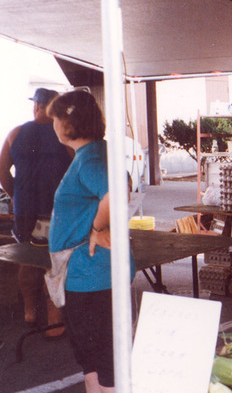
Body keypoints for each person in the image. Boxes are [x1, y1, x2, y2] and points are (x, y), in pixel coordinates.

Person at [47, 90, 134, 393]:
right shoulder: (95, 153)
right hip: (89, 273)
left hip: (91, 275)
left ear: (68, 122)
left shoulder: (91, 158)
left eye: (55, 118)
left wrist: (97, 227)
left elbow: (117, 192)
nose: (53, 124)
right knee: (93, 358)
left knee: (103, 360)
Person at [0, 88, 72, 335]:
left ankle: (29, 311)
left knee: (27, 260)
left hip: (25, 210)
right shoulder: (63, 132)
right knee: (53, 261)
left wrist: (16, 195)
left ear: (37, 106)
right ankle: (53, 316)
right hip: (54, 209)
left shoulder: (15, 133)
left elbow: (2, 171)